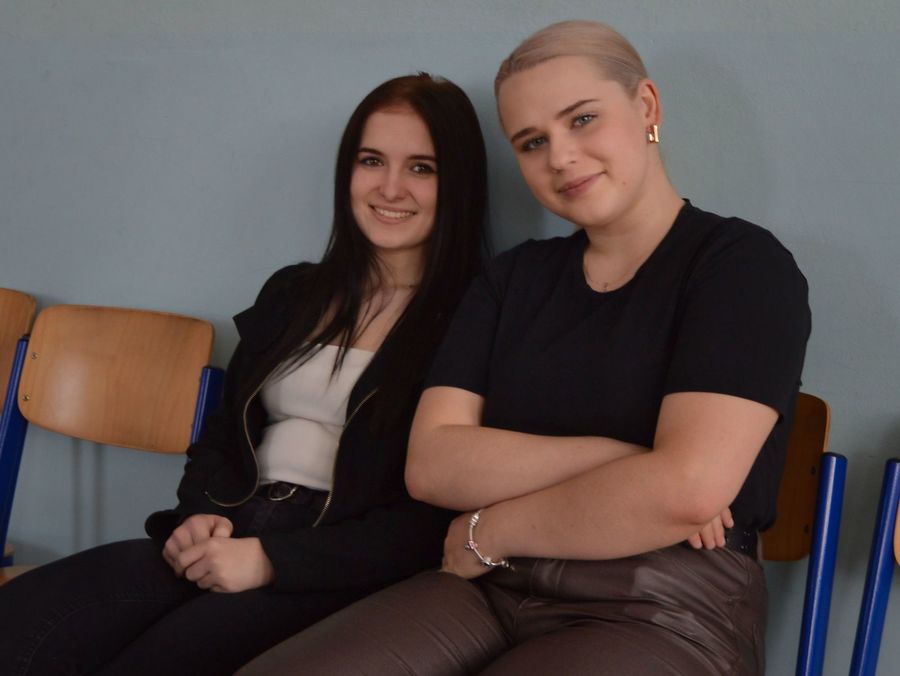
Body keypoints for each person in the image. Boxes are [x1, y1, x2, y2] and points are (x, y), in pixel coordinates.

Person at [237, 20, 810, 676]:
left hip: (661, 598)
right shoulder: (513, 278)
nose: (560, 157)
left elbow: (685, 491)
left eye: (583, 119)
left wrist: (493, 528)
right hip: (488, 586)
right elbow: (433, 464)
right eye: (532, 142)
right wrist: (628, 461)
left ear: (646, 106)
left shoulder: (739, 266)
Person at [0, 72, 488, 675]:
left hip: (336, 565)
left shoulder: (475, 317)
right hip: (230, 524)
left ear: (458, 182)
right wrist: (195, 515)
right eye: (371, 161)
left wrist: (274, 561)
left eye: (422, 167)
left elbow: (433, 517)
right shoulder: (295, 292)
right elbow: (220, 436)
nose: (390, 187)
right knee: (24, 621)